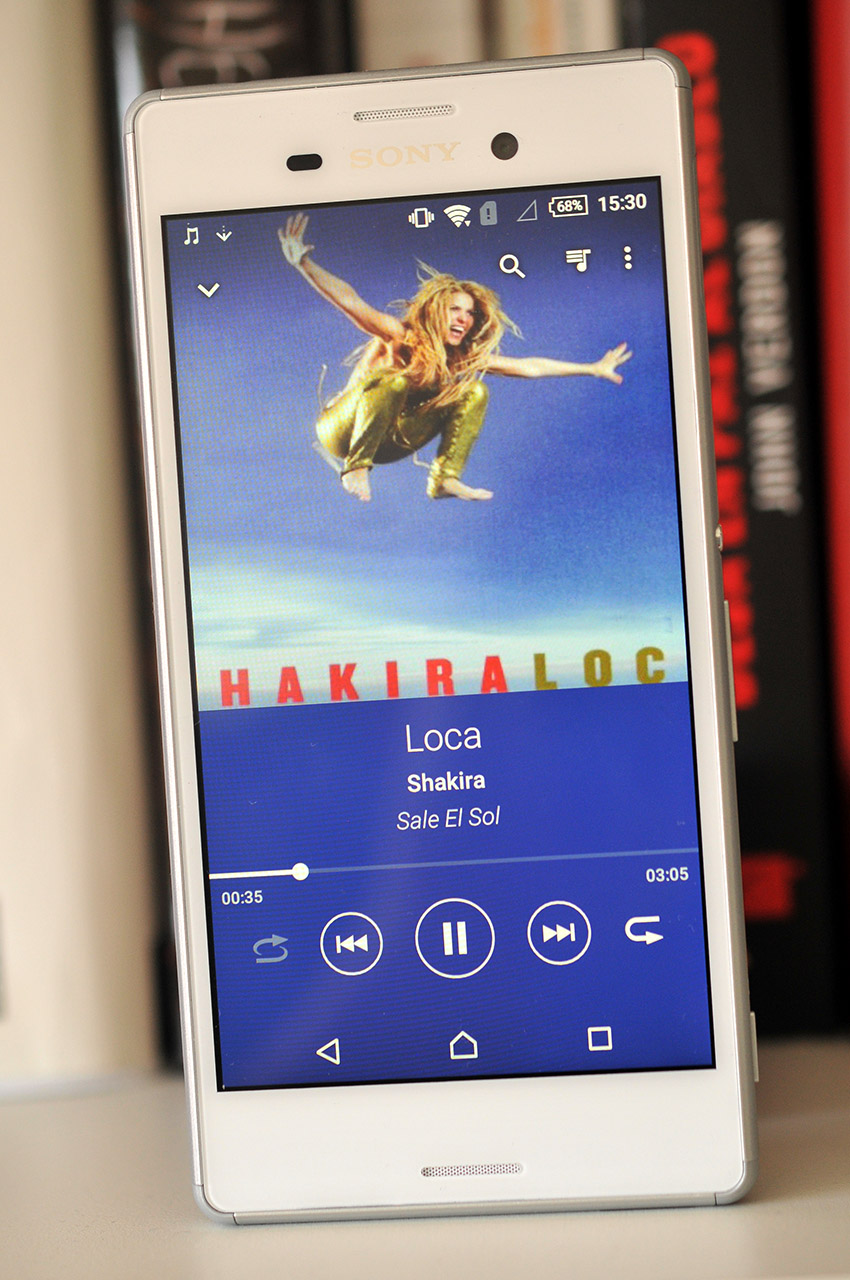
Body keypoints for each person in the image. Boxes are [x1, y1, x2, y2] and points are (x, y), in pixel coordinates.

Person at [278, 212, 632, 502]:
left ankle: (444, 479)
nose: (463, 319)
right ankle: (355, 467)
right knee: (394, 381)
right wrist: (304, 263)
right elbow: (350, 301)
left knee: (474, 391)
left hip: (387, 444)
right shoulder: (399, 336)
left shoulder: (458, 359)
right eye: (455, 310)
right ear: (436, 312)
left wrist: (592, 368)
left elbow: (527, 367)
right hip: (342, 430)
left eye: (470, 313)